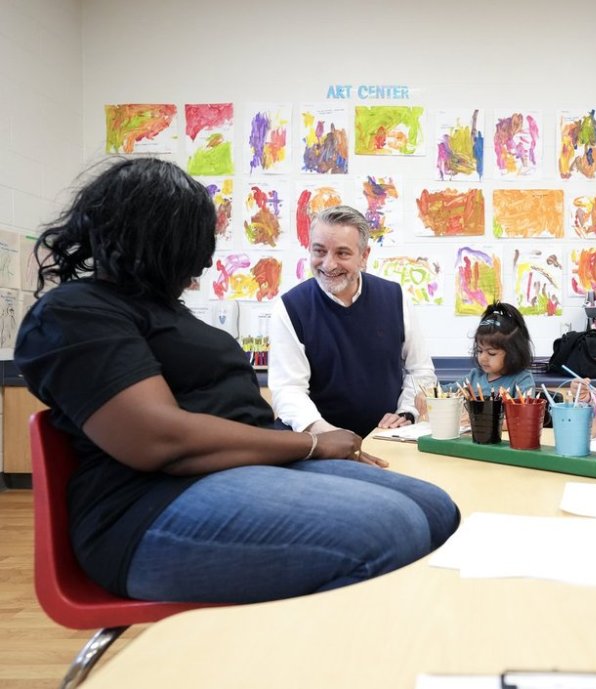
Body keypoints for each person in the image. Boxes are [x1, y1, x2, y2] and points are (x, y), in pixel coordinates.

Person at [14, 158, 460, 604]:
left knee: (438, 510)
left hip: (244, 469)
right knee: (393, 526)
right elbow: (158, 439)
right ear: (154, 239)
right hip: (148, 506)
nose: (206, 260)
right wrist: (313, 444)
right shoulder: (74, 312)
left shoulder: (165, 313)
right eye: (196, 242)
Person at [269, 205, 435, 438]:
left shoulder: (396, 298)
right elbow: (288, 390)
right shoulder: (289, 308)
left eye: (342, 253)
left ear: (364, 256)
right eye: (319, 251)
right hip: (317, 441)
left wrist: (406, 412)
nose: (328, 264)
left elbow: (420, 369)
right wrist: (326, 432)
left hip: (384, 439)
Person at [457, 302, 535, 397]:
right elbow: (442, 392)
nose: (482, 358)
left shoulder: (522, 379)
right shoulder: (474, 376)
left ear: (513, 354)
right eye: (479, 351)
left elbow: (525, 410)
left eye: (491, 353)